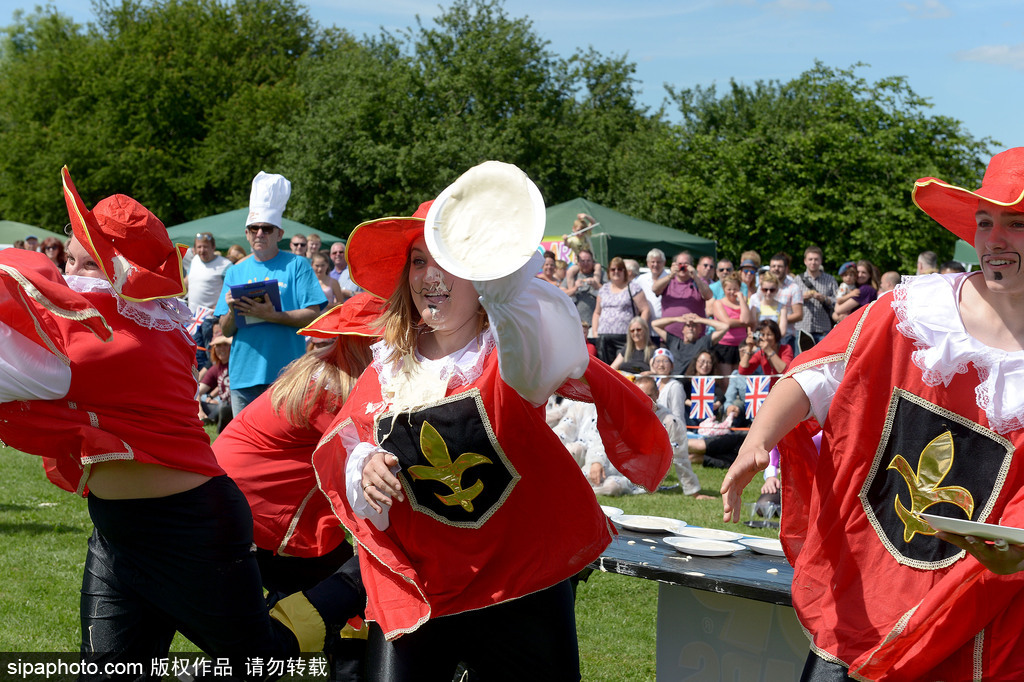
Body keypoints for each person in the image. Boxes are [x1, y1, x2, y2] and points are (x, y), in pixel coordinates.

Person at [306, 163, 671, 681]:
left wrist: (506, 290)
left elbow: (544, 353)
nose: (428, 277)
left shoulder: (512, 350)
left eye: (445, 262)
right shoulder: (389, 366)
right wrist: (364, 464)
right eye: (416, 262)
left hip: (518, 583)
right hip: (424, 587)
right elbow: (347, 438)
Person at [720, 147, 1024, 680]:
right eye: (984, 222)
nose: (994, 240)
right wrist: (756, 441)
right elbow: (819, 372)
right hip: (866, 576)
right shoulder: (913, 311)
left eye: (1017, 223)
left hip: (972, 604)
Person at [0, 167, 300, 676]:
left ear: (123, 274)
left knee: (263, 666)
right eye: (67, 259)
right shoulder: (134, 323)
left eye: (84, 264)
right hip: (117, 533)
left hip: (192, 532)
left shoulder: (111, 341)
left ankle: (337, 604)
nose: (67, 275)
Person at [213, 294, 383, 679]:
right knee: (354, 581)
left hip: (242, 497)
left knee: (325, 590)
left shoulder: (326, 369)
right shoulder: (334, 385)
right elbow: (369, 458)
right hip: (259, 502)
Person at [215, 171, 326, 414]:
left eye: (266, 229)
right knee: (242, 451)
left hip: (286, 374)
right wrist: (233, 311)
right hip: (243, 376)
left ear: (279, 234)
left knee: (283, 447)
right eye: (253, 228)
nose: (259, 234)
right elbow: (225, 329)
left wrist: (271, 315)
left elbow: (314, 315)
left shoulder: (297, 265)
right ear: (246, 233)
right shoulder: (235, 271)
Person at [592, 255, 650, 364]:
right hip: (604, 336)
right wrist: (595, 332)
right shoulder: (604, 289)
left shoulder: (633, 287)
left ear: (625, 271)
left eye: (620, 269)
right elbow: (597, 312)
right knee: (607, 369)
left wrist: (639, 329)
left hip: (625, 337)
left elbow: (645, 309)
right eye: (613, 269)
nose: (616, 272)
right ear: (609, 272)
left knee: (622, 367)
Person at [185, 231, 232, 363]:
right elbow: (186, 282)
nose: (202, 250)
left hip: (211, 321)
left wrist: (221, 305)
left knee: (210, 360)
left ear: (213, 247)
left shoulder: (225, 265)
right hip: (192, 320)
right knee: (195, 358)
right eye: (199, 247)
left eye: (205, 246)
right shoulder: (194, 261)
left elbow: (232, 288)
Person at [653, 251, 713, 347]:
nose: (682, 267)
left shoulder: (698, 281)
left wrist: (695, 276)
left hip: (694, 338)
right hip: (668, 338)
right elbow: (655, 289)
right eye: (680, 264)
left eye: (686, 264)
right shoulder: (668, 281)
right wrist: (670, 275)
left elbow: (708, 295)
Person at [710, 272, 753, 374]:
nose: (732, 292)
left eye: (735, 289)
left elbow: (747, 320)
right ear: (724, 289)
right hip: (724, 345)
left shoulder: (741, 303)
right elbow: (727, 323)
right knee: (726, 381)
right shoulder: (718, 303)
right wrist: (742, 322)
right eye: (729, 289)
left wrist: (742, 299)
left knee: (740, 377)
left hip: (741, 345)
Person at [794, 245, 837, 345]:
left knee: (823, 360)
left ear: (821, 261)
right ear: (805, 261)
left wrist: (825, 298)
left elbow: (837, 301)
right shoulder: (797, 279)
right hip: (802, 329)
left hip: (823, 330)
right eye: (810, 259)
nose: (813, 262)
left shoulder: (830, 280)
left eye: (816, 259)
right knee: (801, 360)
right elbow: (790, 302)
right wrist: (802, 298)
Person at [562, 247, 606, 335]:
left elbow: (611, 292)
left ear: (593, 261)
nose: (585, 263)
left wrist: (596, 285)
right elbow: (562, 293)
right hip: (576, 324)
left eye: (588, 260)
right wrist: (575, 288)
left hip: (596, 324)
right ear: (578, 262)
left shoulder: (601, 274)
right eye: (582, 261)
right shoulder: (573, 275)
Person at [737, 319, 792, 385]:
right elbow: (743, 371)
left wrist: (769, 350)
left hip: (784, 387)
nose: (765, 338)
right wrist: (749, 348)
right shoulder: (760, 353)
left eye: (769, 334)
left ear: (776, 335)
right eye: (762, 334)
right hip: (769, 390)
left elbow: (785, 371)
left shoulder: (786, 348)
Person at [197, 334, 232, 431]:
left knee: (223, 408)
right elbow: (197, 391)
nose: (222, 349)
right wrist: (200, 411)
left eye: (225, 345)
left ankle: (213, 419)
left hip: (232, 405)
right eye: (218, 346)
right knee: (201, 402)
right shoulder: (216, 368)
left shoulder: (237, 363)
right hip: (222, 405)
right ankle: (207, 419)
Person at [635, 248, 667, 318]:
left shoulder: (670, 279)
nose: (655, 265)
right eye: (652, 262)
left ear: (664, 263)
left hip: (665, 323)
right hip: (645, 323)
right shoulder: (641, 279)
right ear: (647, 263)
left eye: (658, 262)